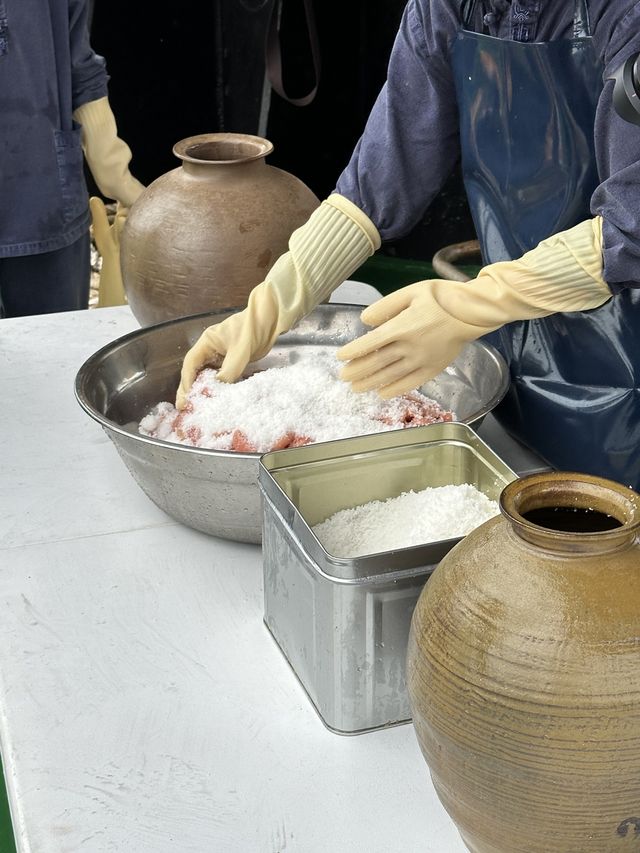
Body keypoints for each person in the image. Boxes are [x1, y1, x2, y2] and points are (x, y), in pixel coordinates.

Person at [176, 0, 640, 490]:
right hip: (521, 349)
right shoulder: (445, 8)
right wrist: (272, 304)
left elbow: (634, 218)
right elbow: (382, 175)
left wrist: (476, 303)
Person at [0, 0, 143, 318]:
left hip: (44, 201)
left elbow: (80, 66)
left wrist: (116, 174)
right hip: (47, 196)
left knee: (57, 353)